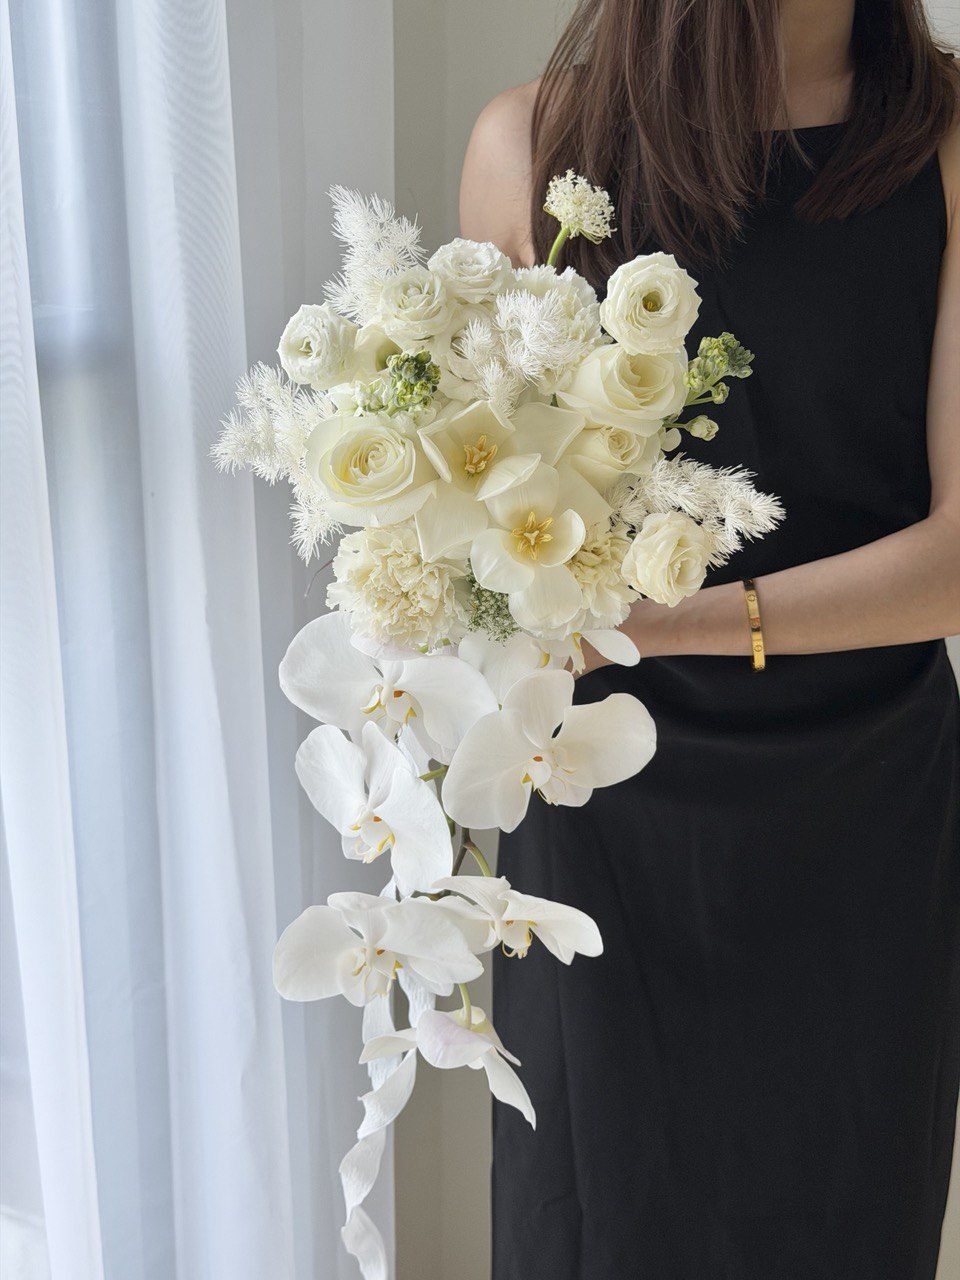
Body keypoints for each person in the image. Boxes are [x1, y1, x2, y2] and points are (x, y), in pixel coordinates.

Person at [458, 1, 960, 1276]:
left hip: (862, 814)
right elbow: (481, 504)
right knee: (595, 1223)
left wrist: (671, 620)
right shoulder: (533, 143)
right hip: (601, 802)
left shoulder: (948, 142)